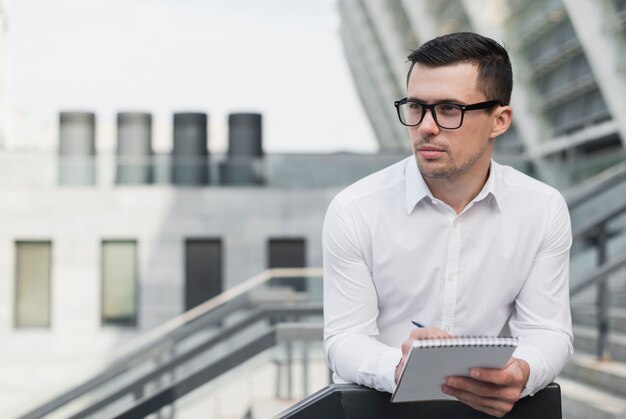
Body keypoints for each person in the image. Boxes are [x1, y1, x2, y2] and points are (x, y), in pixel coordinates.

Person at [322, 32, 573, 417]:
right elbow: (345, 338)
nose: (425, 126)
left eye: (450, 110)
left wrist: (524, 371)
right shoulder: (355, 209)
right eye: (417, 107)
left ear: (499, 120)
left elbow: (548, 330)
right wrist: (398, 368)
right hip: (379, 408)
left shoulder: (542, 208)